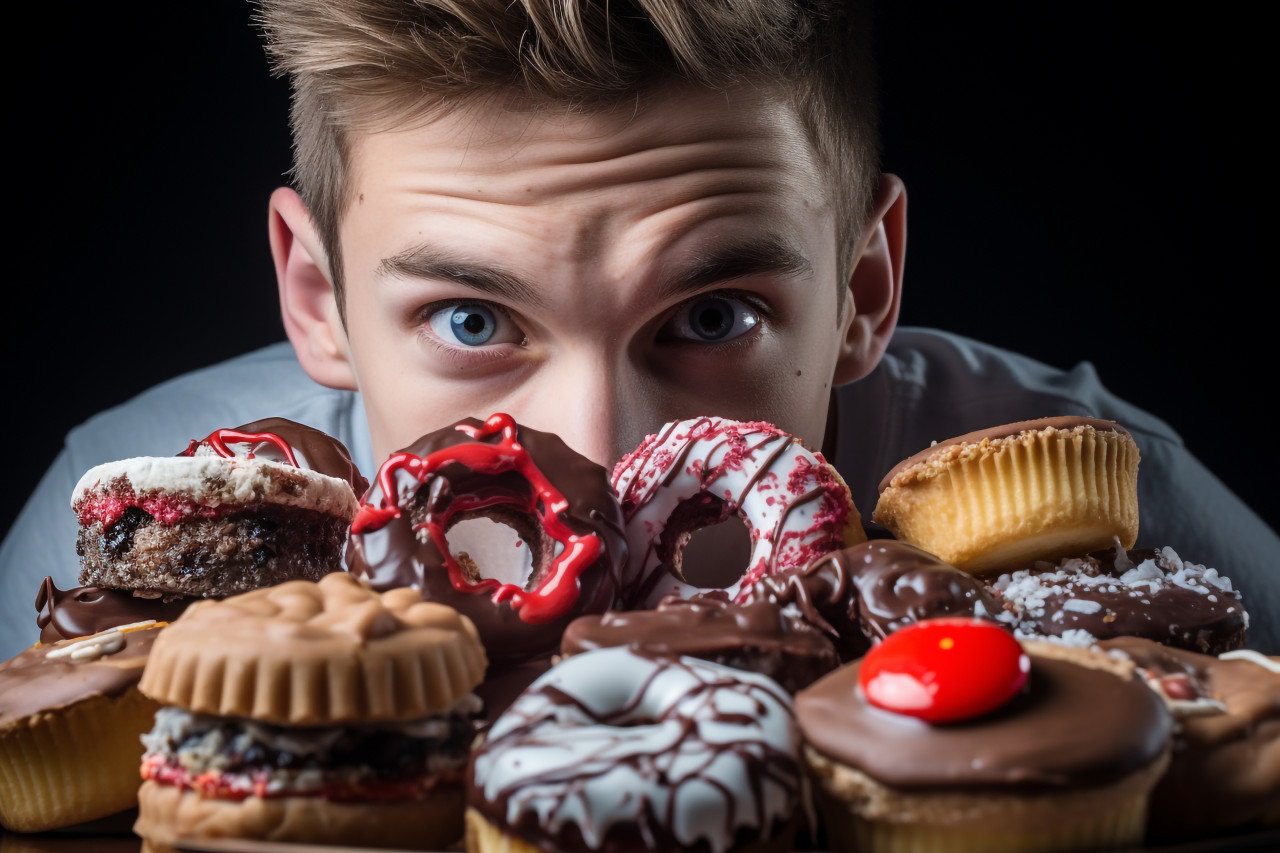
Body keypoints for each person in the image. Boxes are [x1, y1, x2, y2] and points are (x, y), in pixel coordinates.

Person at [2, 0, 1275, 658]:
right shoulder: (128, 537)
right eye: (471, 317)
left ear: (862, 289)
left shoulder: (1108, 515)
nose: (601, 466)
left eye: (710, 315)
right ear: (317, 297)